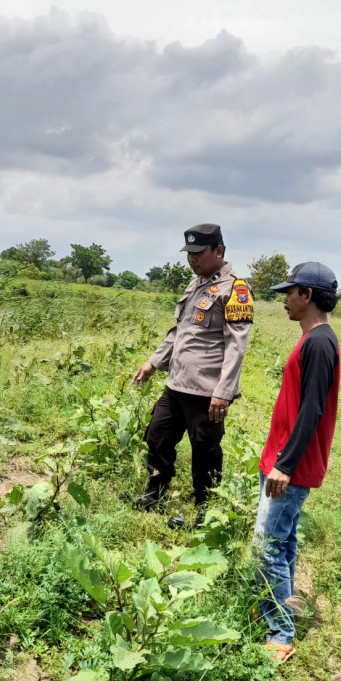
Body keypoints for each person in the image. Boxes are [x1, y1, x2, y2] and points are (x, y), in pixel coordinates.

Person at [131, 223, 253, 527]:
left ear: (219, 251)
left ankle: (205, 513)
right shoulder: (195, 284)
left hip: (206, 392)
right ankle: (154, 494)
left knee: (205, 452)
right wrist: (153, 363)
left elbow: (236, 346)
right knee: (157, 437)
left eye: (199, 253)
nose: (192, 259)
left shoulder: (235, 289)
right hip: (176, 384)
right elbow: (179, 332)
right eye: (189, 253)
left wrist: (224, 391)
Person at [254, 261, 340, 664]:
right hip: (283, 460)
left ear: (307, 295)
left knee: (267, 545)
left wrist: (285, 465)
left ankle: (280, 632)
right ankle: (281, 610)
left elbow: (312, 411)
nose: (285, 299)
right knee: (283, 541)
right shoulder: (313, 339)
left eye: (290, 292)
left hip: (291, 466)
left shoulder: (319, 342)